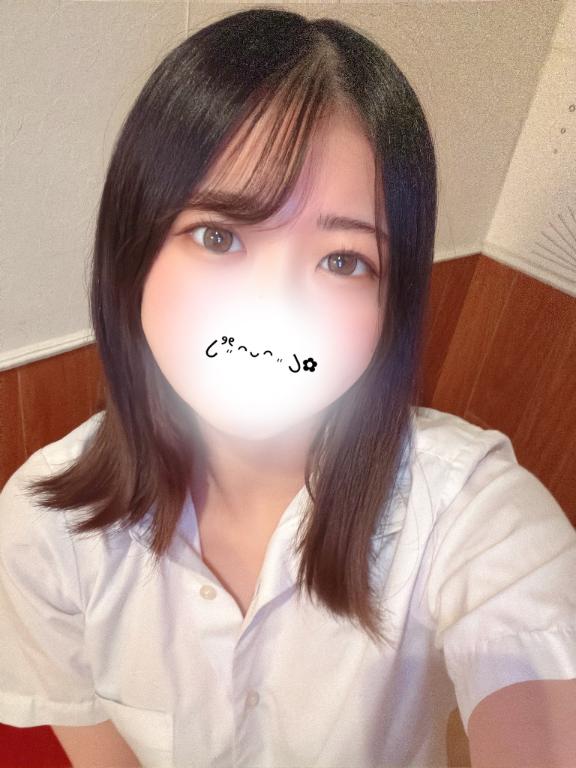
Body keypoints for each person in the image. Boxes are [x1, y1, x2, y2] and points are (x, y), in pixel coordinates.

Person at [1, 7, 575, 768]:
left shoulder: (474, 514)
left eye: (343, 260)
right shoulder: (43, 527)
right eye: (218, 235)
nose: (273, 310)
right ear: (132, 254)